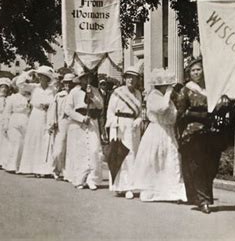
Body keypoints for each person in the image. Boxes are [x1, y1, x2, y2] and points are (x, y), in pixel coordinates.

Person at [175, 58, 233, 214]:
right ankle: (203, 200)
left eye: (198, 69)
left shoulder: (213, 89)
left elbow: (222, 108)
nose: (196, 73)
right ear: (189, 73)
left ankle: (205, 196)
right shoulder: (186, 90)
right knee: (198, 166)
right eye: (193, 70)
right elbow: (180, 114)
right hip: (194, 133)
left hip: (212, 132)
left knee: (212, 167)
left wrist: (226, 104)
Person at [131, 68, 187, 202]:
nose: (169, 89)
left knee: (169, 159)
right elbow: (161, 109)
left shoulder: (165, 98)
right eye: (167, 86)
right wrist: (168, 93)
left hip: (167, 130)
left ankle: (172, 192)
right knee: (154, 159)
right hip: (156, 130)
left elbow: (173, 114)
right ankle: (151, 191)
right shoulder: (153, 97)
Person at [105, 66, 143, 199]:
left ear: (138, 79)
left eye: (134, 77)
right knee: (118, 154)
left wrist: (139, 119)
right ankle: (118, 186)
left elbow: (140, 112)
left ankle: (129, 187)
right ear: (124, 78)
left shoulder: (138, 94)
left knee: (131, 155)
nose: (131, 80)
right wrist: (113, 122)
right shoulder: (117, 92)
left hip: (132, 127)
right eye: (128, 77)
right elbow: (110, 110)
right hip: (119, 125)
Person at [64, 71, 104, 189]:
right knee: (80, 151)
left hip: (92, 122)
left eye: (88, 78)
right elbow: (68, 109)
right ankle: (80, 179)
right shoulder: (74, 92)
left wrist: (92, 96)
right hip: (79, 124)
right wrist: (81, 118)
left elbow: (100, 105)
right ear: (80, 80)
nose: (86, 81)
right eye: (84, 78)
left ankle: (92, 179)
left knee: (94, 149)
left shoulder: (95, 90)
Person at [18, 66, 57, 177]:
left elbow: (55, 102)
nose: (40, 78)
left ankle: (45, 169)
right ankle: (33, 168)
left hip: (48, 115)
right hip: (36, 115)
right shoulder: (34, 88)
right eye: (39, 76)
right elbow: (20, 84)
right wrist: (28, 73)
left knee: (46, 140)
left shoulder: (52, 90)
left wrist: (48, 106)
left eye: (43, 76)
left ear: (47, 78)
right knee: (35, 140)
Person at [47, 73, 76, 180]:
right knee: (58, 149)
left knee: (71, 148)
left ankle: (67, 172)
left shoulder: (76, 94)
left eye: (70, 82)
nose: (68, 84)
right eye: (66, 82)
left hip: (74, 123)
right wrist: (52, 123)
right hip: (61, 123)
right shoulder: (59, 95)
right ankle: (55, 169)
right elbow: (53, 110)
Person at [2, 75, 32, 173]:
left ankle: (22, 166)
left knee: (24, 144)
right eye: (22, 85)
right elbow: (7, 112)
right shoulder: (12, 98)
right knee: (16, 142)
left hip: (26, 120)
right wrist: (5, 125)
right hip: (15, 120)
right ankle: (12, 165)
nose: (24, 87)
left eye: (26, 85)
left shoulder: (30, 97)